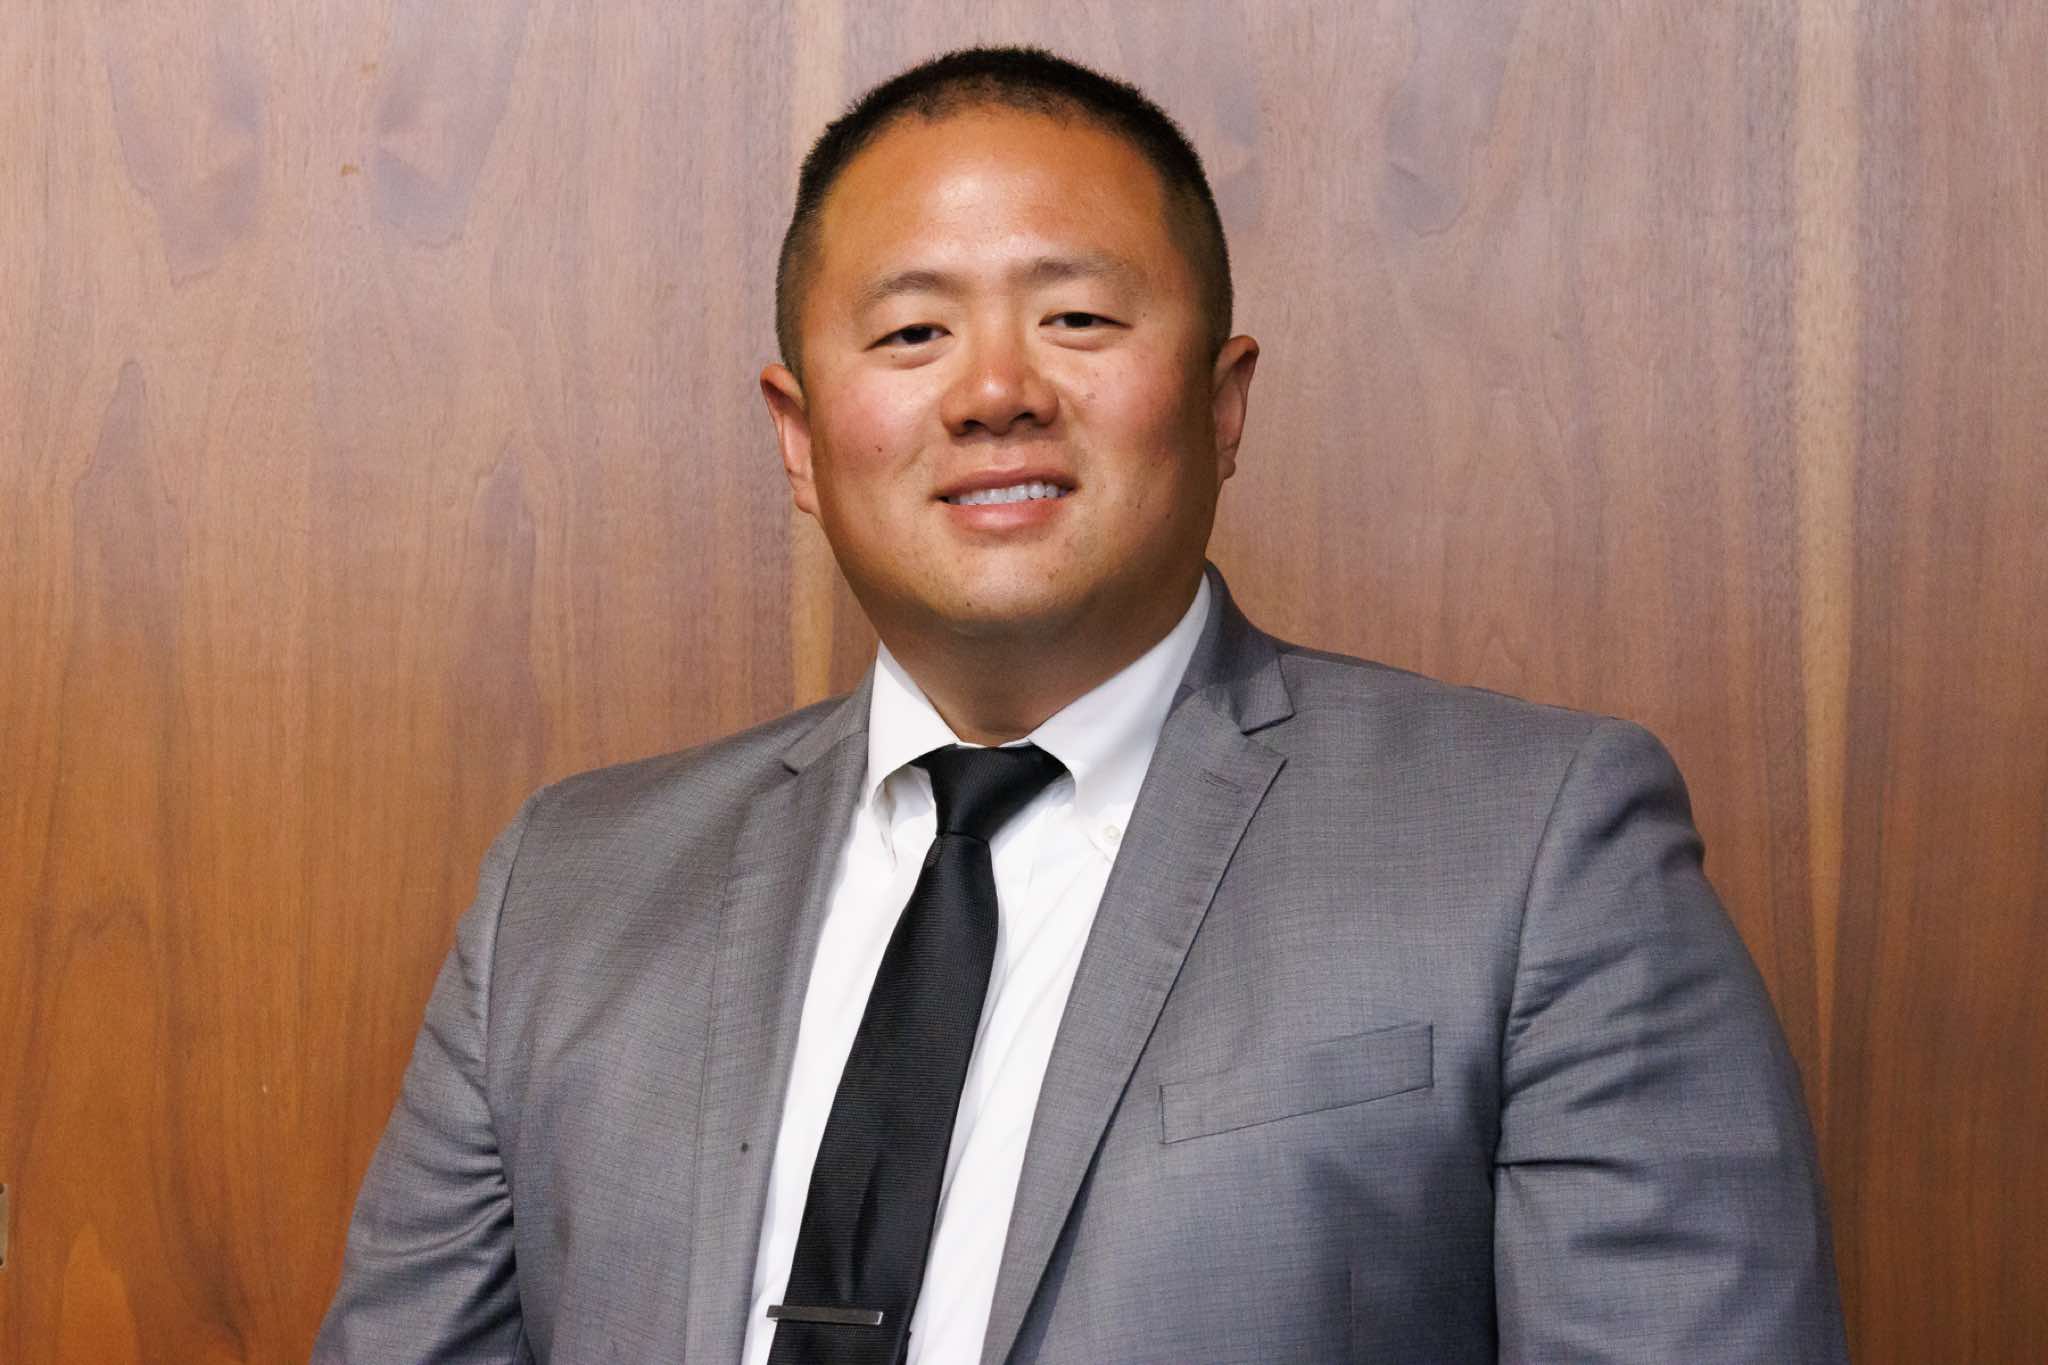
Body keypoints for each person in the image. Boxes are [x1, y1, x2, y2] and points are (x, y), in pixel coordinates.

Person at [315, 46, 1847, 1364]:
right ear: (798, 434)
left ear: (1222, 401)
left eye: (1079, 320)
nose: (996, 390)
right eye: (912, 333)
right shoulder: (567, 889)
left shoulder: (1538, 849)